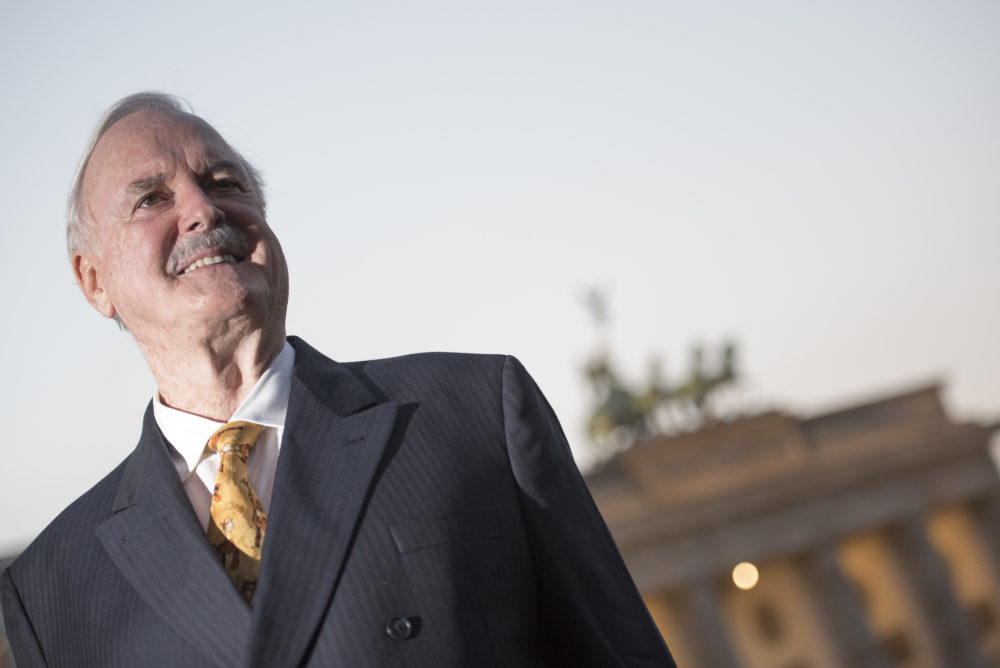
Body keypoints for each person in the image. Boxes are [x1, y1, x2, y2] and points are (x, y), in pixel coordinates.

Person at [0, 92, 675, 667]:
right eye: (152, 198)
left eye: (225, 182)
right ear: (94, 281)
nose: (203, 209)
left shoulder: (475, 413)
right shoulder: (50, 587)